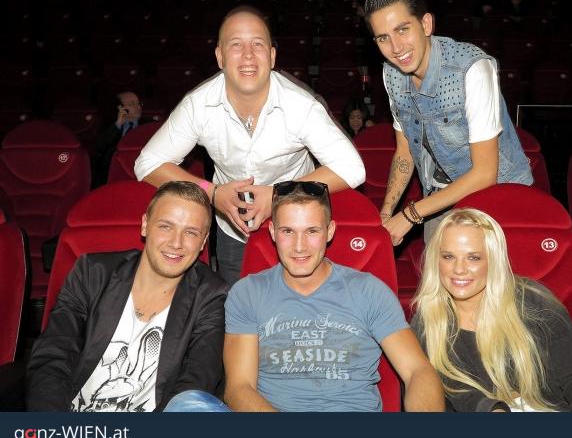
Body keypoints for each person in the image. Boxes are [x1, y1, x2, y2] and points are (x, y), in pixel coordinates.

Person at [164, 180, 445, 412]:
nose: (299, 247)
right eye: (288, 231)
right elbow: (239, 388)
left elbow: (418, 371)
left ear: (329, 232)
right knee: (185, 406)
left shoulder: (369, 290)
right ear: (273, 232)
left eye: (312, 231)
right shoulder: (248, 293)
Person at [134, 6, 365, 285]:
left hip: (295, 227)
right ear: (220, 57)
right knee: (238, 306)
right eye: (236, 44)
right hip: (234, 230)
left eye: (257, 44)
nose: (247, 55)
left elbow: (352, 169)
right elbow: (147, 163)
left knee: (295, 305)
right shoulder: (198, 105)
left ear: (272, 56)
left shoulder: (301, 105)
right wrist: (212, 193)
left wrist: (278, 194)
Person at [25, 181, 229, 412]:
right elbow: (53, 355)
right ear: (145, 225)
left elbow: (197, 381)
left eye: (191, 232)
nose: (176, 243)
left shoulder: (211, 295)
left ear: (203, 241)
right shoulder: (92, 273)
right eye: (165, 226)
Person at [363, 0, 533, 246]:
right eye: (383, 38)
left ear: (426, 24)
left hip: (499, 195)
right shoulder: (391, 73)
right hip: (440, 197)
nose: (395, 48)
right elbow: (405, 153)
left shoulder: (471, 69)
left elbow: (485, 174)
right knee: (437, 273)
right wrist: (386, 212)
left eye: (402, 30)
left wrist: (410, 214)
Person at [411, 208, 572, 412]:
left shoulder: (534, 301)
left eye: (473, 257)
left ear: (494, 260)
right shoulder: (428, 323)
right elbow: (460, 396)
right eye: (448, 256)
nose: (459, 269)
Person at [92, 91, 144, 187]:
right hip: (114, 172)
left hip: (141, 171)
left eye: (138, 103)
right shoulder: (109, 125)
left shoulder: (149, 124)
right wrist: (118, 124)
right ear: (120, 108)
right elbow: (99, 147)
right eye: (131, 104)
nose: (137, 107)